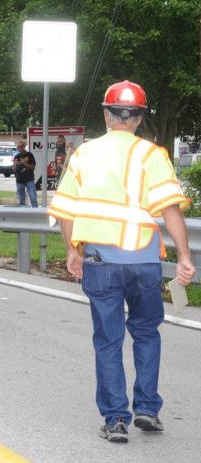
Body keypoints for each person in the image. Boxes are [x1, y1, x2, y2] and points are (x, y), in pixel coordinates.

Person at [47, 80, 195, 444]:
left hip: (100, 261)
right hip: (144, 261)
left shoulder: (84, 154)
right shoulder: (152, 154)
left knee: (108, 340)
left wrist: (72, 251)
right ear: (140, 118)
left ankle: (115, 419)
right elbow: (171, 212)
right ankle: (147, 408)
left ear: (106, 114)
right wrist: (185, 258)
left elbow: (65, 209)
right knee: (146, 333)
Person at [13, 140, 37, 207]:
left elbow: (33, 167)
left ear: (24, 147)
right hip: (20, 180)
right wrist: (15, 165)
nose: (19, 148)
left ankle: (36, 213)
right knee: (21, 200)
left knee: (33, 198)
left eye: (21, 147)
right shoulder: (16, 157)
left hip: (29, 179)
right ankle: (22, 215)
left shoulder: (29, 155)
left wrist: (25, 164)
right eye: (18, 147)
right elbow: (14, 170)